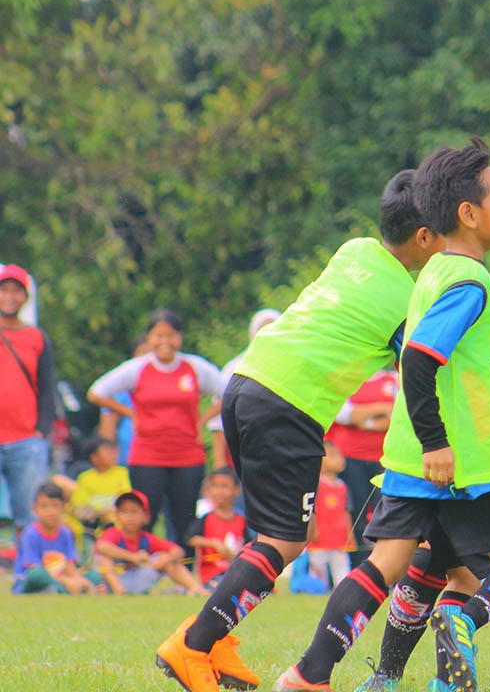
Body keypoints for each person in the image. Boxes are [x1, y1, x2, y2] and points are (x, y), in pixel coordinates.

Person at [271, 141, 490, 692]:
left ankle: (308, 674)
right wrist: (438, 442)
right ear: (470, 214)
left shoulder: (436, 273)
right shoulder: (470, 283)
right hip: (465, 457)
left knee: (384, 565)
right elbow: (419, 358)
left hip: (412, 457)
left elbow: (471, 367)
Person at [154, 168, 445, 692]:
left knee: (274, 534)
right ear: (425, 237)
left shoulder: (355, 249)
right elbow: (421, 371)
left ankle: (213, 641)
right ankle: (192, 646)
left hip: (245, 382)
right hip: (289, 403)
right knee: (286, 539)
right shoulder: (412, 299)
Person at [359, 272, 490, 691]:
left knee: (436, 571)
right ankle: (466, 629)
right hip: (464, 478)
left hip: (421, 474)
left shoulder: (477, 344)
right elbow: (486, 415)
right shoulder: (484, 353)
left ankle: (396, 678)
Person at [87, 309, 225, 554]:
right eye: (158, 335)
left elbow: (229, 393)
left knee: (184, 517)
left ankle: (185, 574)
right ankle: (146, 569)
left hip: (187, 455)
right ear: (149, 338)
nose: (165, 342)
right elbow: (96, 392)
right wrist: (131, 414)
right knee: (144, 517)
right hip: (147, 455)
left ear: (179, 338)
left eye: (171, 336)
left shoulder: (194, 367)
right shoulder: (137, 368)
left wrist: (203, 418)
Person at [0, 263, 57, 535]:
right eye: (4, 290)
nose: (9, 297)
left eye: (16, 291)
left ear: (25, 297)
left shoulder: (36, 337)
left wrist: (41, 430)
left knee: (29, 512)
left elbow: (47, 388)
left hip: (25, 438)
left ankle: (26, 564)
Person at [325, 368, 398, 566]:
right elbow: (345, 415)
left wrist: (364, 422)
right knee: (354, 511)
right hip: (350, 459)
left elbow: (399, 415)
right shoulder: (346, 377)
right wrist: (381, 408)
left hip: (385, 458)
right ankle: (357, 563)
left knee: (386, 510)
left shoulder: (392, 379)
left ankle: (386, 564)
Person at [208, 309, 282, 469]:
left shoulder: (290, 367)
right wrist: (219, 461)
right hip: (241, 453)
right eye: (263, 329)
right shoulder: (235, 368)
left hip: (281, 452)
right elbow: (219, 417)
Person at [95, 490, 205, 595]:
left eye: (134, 512)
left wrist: (167, 558)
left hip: (139, 578)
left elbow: (178, 550)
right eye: (124, 512)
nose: (130, 517)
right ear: (117, 516)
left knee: (165, 558)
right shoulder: (113, 533)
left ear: (146, 517)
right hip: (115, 580)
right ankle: (120, 591)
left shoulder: (147, 538)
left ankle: (195, 588)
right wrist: (132, 557)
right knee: (105, 559)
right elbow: (102, 546)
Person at [13, 482, 103, 594]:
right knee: (37, 574)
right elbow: (32, 567)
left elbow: (70, 565)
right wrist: (67, 581)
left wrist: (81, 581)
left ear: (63, 508)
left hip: (62, 577)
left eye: (55, 506)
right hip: (33, 580)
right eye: (44, 506)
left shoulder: (65, 533)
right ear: (34, 509)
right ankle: (62, 590)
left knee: (94, 576)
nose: (50, 512)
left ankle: (66, 590)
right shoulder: (30, 534)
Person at [187, 467, 253, 589]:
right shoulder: (206, 518)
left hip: (235, 570)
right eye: (215, 486)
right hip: (213, 574)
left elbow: (248, 544)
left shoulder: (241, 519)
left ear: (237, 490)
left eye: (224, 486)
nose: (219, 491)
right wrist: (213, 543)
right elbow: (191, 539)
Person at [97, 334, 151, 466]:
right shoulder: (121, 390)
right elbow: (107, 431)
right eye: (142, 353)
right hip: (126, 462)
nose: (146, 359)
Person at [307, 441, 355, 589]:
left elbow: (346, 511)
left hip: (338, 537)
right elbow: (310, 509)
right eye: (333, 456)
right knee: (318, 566)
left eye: (340, 455)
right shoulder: (315, 484)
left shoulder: (343, 486)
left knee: (341, 566)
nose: (340, 459)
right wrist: (312, 530)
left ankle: (343, 590)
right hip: (320, 537)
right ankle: (317, 589)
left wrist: (349, 532)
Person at [70, 435, 132, 530]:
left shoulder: (122, 473)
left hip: (117, 519)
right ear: (94, 457)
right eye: (108, 451)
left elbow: (125, 498)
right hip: (94, 520)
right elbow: (80, 505)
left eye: (114, 451)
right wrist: (99, 513)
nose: (113, 455)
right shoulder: (85, 478)